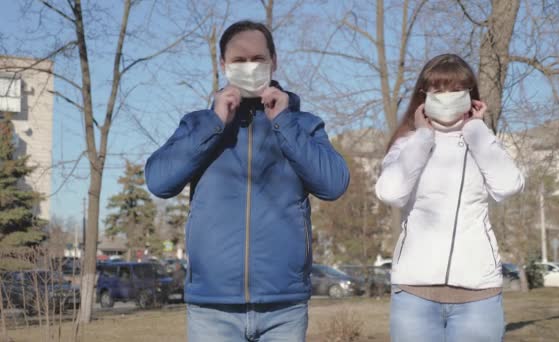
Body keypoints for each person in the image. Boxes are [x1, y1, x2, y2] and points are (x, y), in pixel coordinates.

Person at [145, 20, 350, 342]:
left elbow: (334, 184)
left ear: (274, 62)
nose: (249, 67)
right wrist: (215, 122)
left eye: (257, 59)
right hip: (212, 306)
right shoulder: (198, 123)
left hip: (284, 306)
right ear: (223, 65)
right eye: (239, 61)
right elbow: (159, 181)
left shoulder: (303, 125)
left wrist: (283, 122)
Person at [375, 54, 524, 342]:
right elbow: (390, 193)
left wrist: (477, 130)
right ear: (424, 96)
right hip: (415, 293)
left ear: (470, 96)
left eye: (456, 90)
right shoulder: (407, 144)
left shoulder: (484, 141)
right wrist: (422, 137)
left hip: (478, 293)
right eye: (438, 90)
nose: (447, 98)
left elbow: (508, 186)